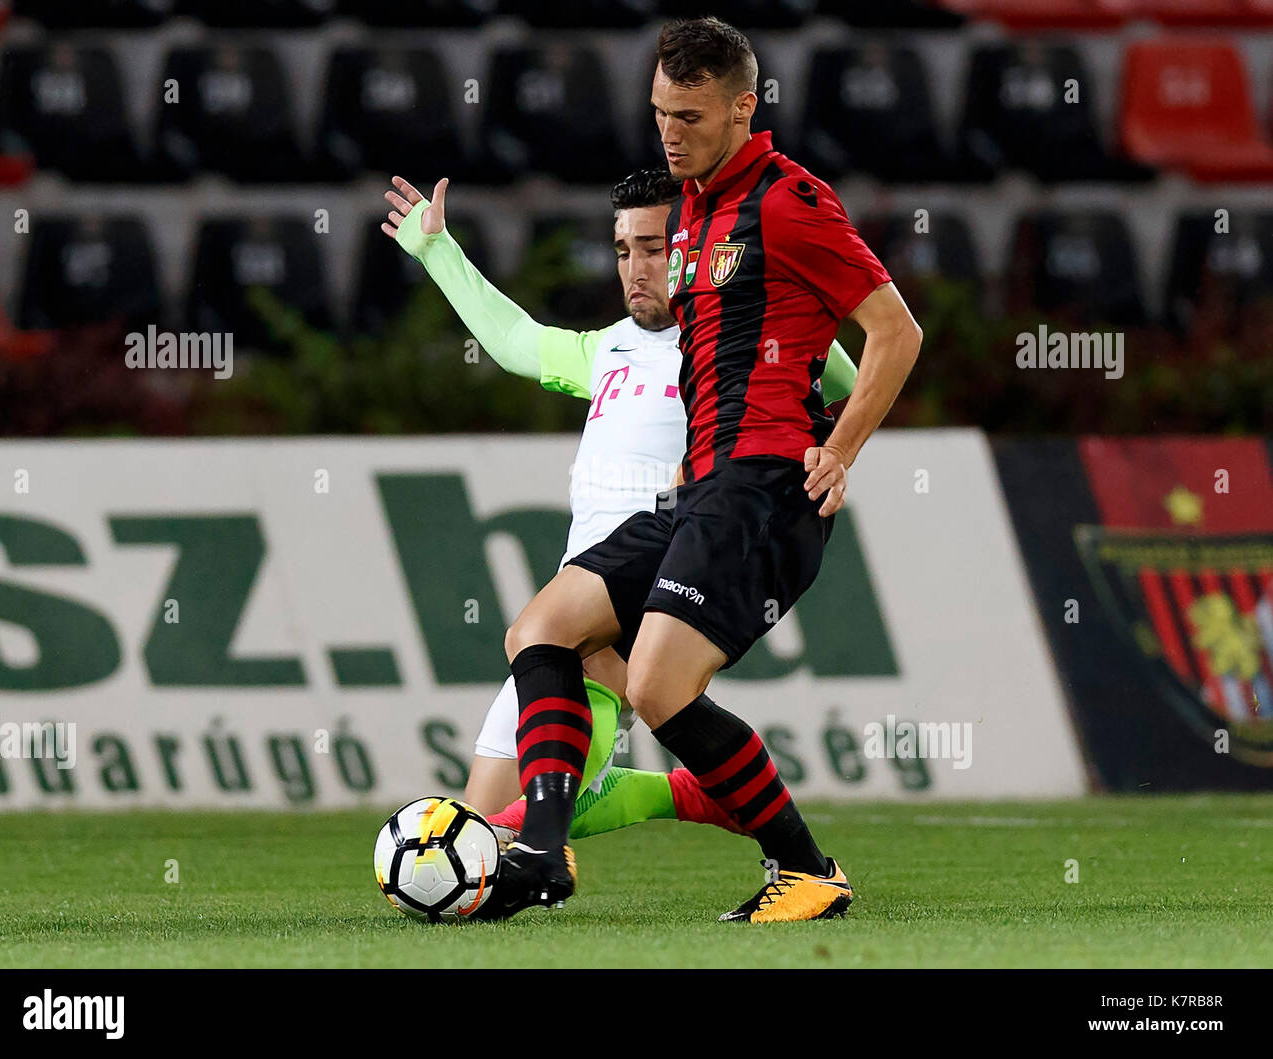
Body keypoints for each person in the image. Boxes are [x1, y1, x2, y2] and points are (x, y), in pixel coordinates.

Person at [488, 17, 922, 923]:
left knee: (654, 688)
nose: (669, 133)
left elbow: (896, 331)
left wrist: (837, 448)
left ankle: (806, 870)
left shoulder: (789, 200)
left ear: (742, 108)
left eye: (688, 115)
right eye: (658, 113)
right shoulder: (693, 210)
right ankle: (542, 852)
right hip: (703, 488)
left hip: (765, 486)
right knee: (542, 626)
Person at [382, 166, 859, 862]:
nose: (636, 268)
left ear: (693, 246)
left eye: (655, 248)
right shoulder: (608, 346)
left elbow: (838, 378)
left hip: (660, 568)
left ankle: (554, 849)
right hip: (583, 577)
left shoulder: (733, 341)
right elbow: (518, 343)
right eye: (623, 248)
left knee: (496, 835)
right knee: (478, 827)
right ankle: (680, 796)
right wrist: (438, 251)